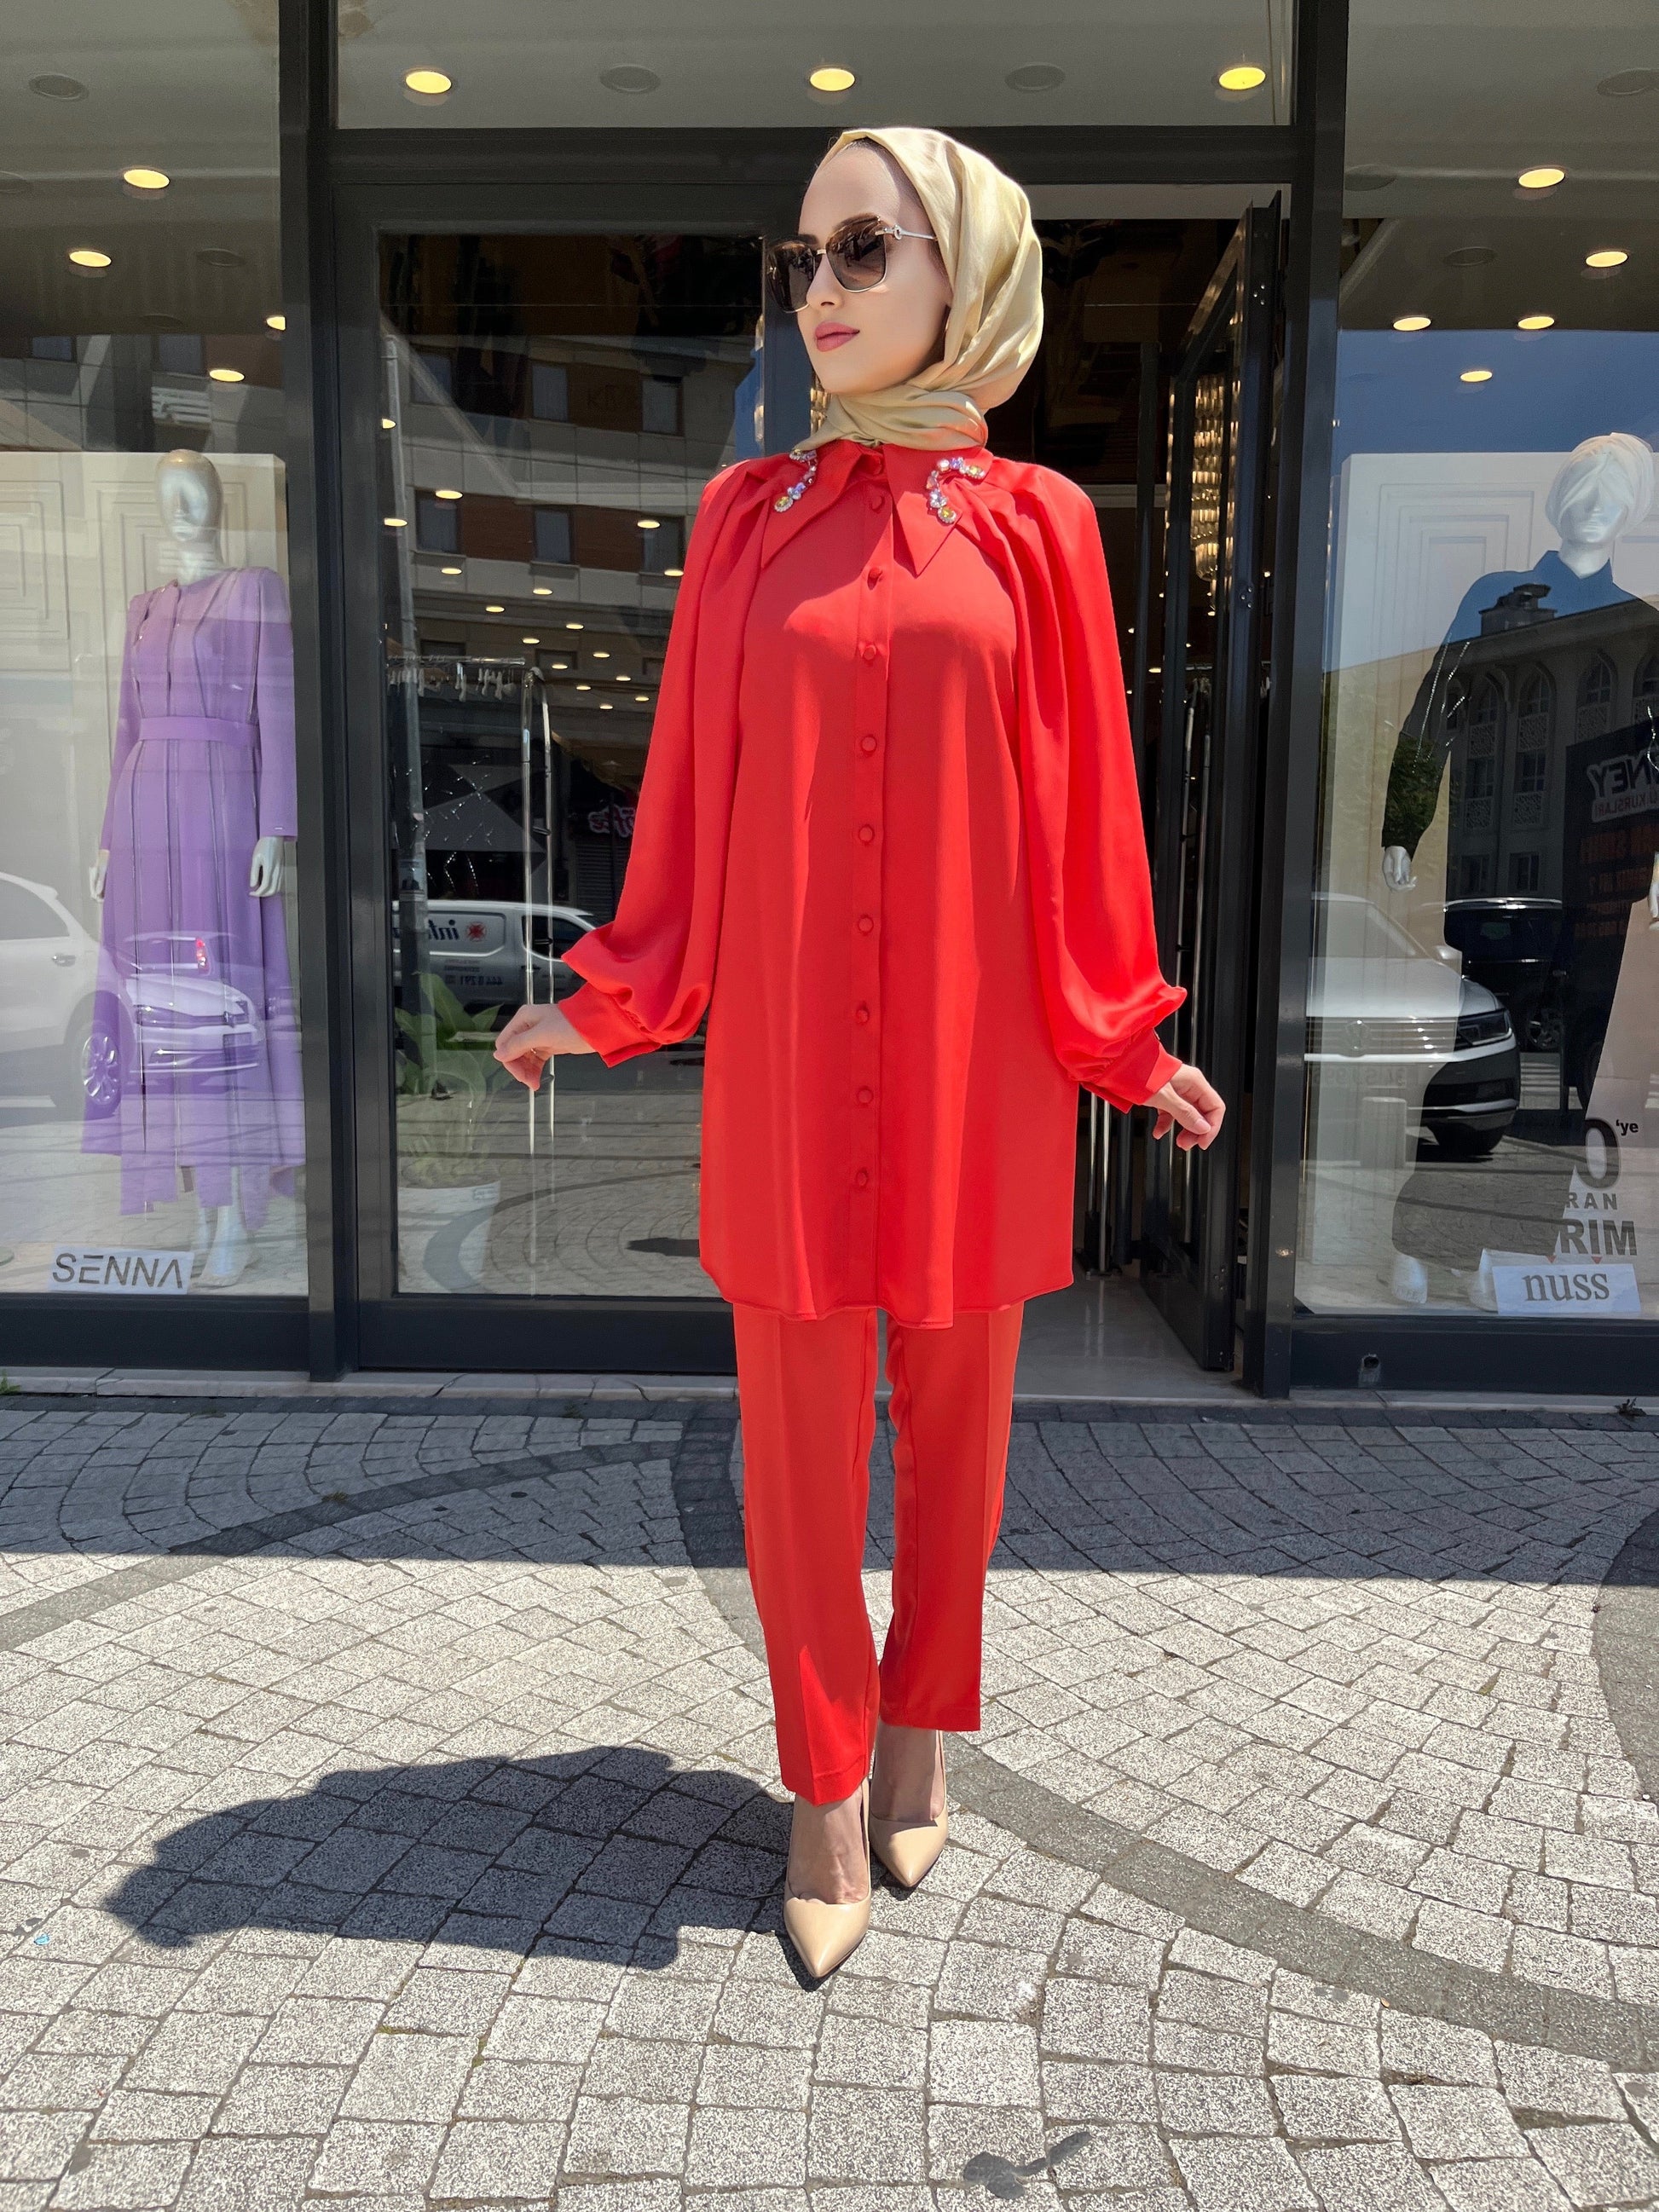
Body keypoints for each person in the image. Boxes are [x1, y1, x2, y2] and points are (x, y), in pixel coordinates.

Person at [494, 126, 1223, 1978]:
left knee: (959, 1447)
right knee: (798, 1457)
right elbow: (688, 797)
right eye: (802, 257)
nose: (816, 291)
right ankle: (822, 1780)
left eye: (863, 249)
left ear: (965, 273)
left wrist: (1119, 1039)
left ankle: (919, 1731)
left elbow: (1086, 811)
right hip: (790, 1069)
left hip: (979, 1072)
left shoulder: (1042, 527)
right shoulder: (746, 523)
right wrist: (609, 996)